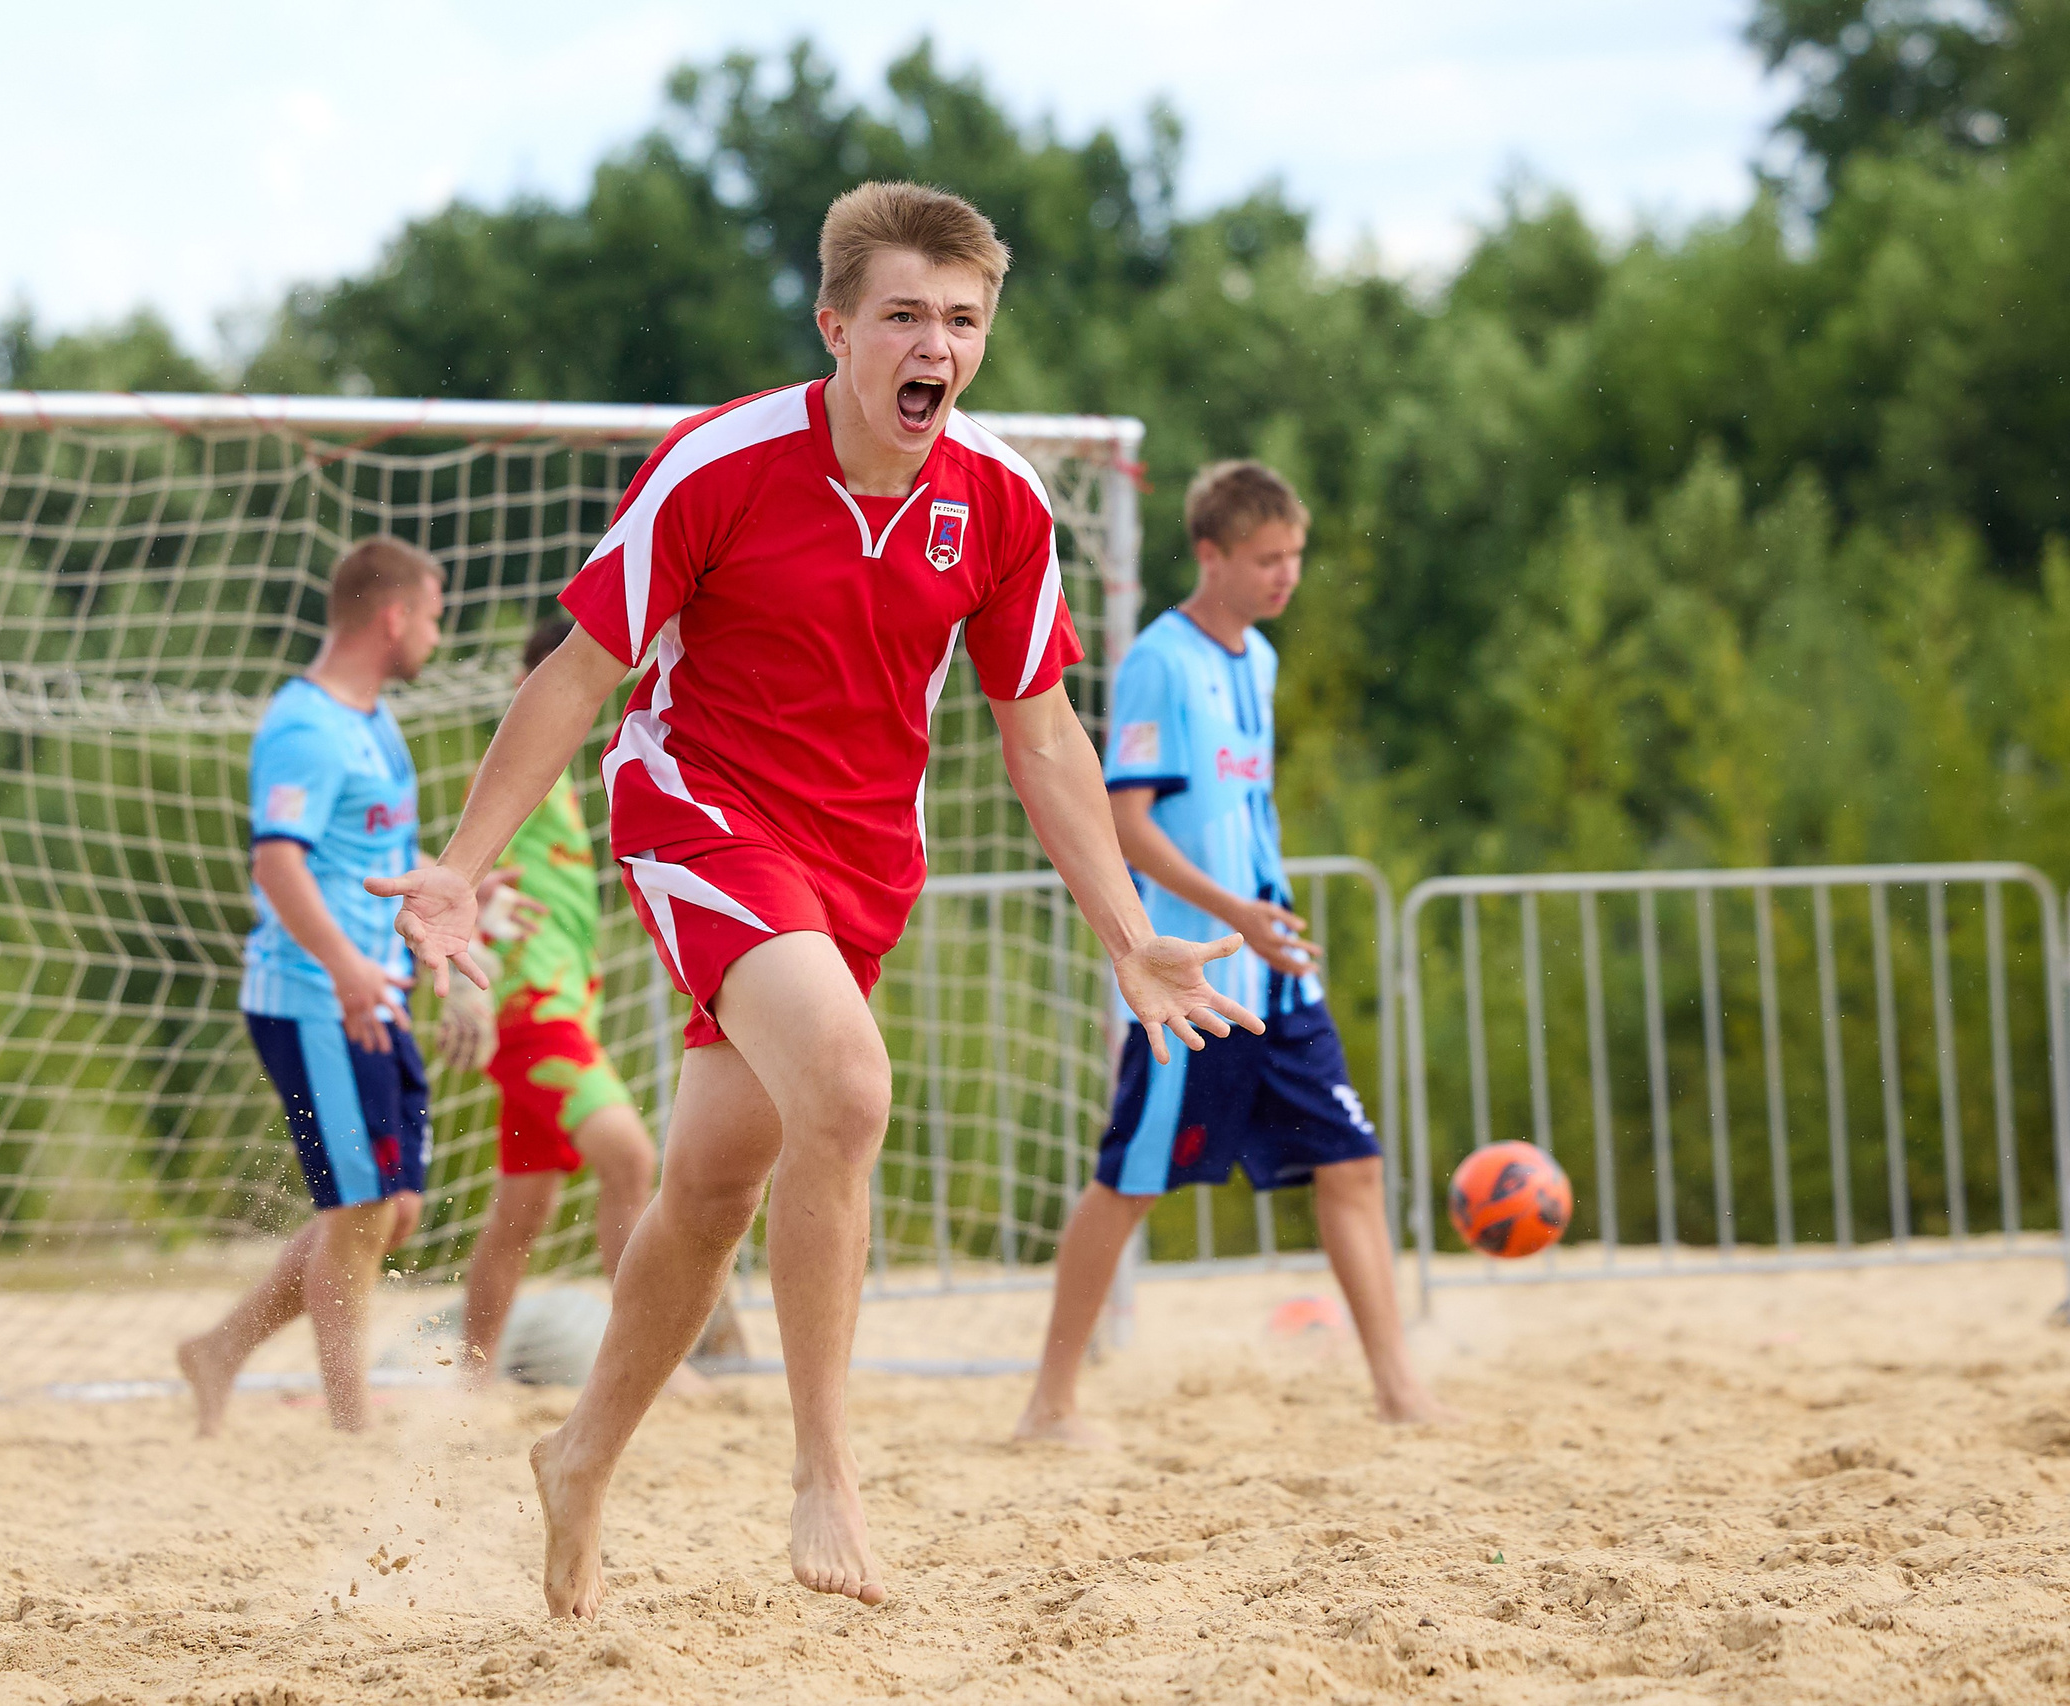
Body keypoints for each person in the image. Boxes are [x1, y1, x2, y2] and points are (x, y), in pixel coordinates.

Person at [368, 181, 1261, 1618]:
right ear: (838, 325)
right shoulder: (719, 464)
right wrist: (462, 868)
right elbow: (576, 676)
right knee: (849, 1091)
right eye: (905, 314)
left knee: (716, 1175)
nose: (937, 345)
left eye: (963, 321)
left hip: (860, 857)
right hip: (700, 810)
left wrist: (1126, 928)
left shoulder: (1003, 502)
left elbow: (1040, 736)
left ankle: (580, 1452)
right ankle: (827, 1469)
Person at [1012, 461, 1452, 1450]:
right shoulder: (1160, 660)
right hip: (1192, 976)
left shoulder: (1258, 660)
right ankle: (1049, 1399)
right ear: (1210, 555)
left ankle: (1396, 1387)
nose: (1285, 575)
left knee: (1352, 1163)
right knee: (1128, 1181)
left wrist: (1271, 917)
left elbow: (1239, 812)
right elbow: (1126, 822)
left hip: (1275, 971)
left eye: (1294, 556)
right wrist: (1232, 913)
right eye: (1266, 558)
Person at [176, 537, 446, 1436]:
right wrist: (344, 969)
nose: (438, 636)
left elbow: (381, 856)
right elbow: (276, 861)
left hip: (376, 989)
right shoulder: (303, 725)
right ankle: (352, 1424)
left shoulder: (374, 722)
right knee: (363, 1205)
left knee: (391, 1209)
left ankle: (219, 1348)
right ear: (393, 616)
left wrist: (458, 897)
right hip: (320, 996)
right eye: (435, 615)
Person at [438, 618, 660, 1382]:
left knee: (518, 1217)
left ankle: (472, 1378)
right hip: (537, 1019)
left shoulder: (568, 781)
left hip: (561, 1014)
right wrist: (476, 915)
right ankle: (644, 1361)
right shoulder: (516, 776)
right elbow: (463, 867)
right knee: (632, 1158)